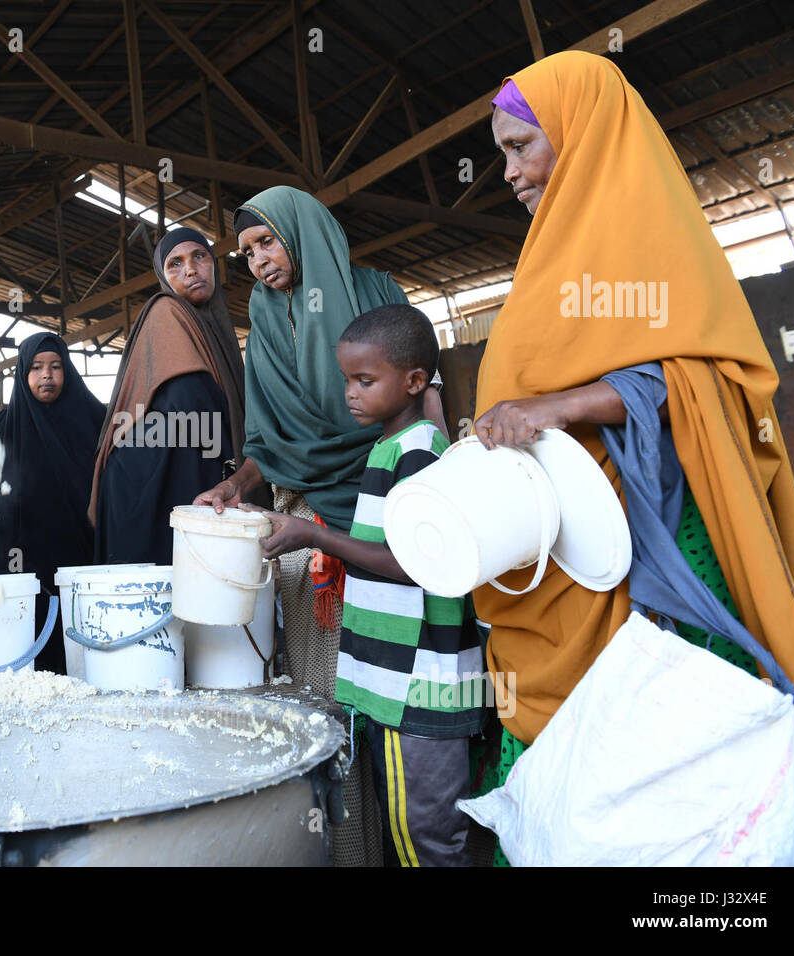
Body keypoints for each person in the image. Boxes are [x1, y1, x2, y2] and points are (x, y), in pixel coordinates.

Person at [472, 51, 794, 860]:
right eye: (502, 155)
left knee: (671, 753)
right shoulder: (547, 258)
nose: (511, 173)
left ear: (580, 132)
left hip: (646, 553)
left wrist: (559, 404)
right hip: (561, 552)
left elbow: (697, 375)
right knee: (583, 786)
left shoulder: (647, 236)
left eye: (523, 146)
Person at [194, 186, 445, 866]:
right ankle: (348, 845)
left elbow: (430, 404)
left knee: (391, 693)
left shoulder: (374, 292)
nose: (258, 262)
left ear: (301, 231)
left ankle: (414, 837)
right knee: (324, 699)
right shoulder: (268, 326)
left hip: (390, 516)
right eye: (246, 253)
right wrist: (237, 485)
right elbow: (271, 445)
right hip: (305, 527)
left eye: (266, 242)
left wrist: (438, 494)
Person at [247, 304, 483, 865]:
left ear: (414, 382)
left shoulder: (420, 452)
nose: (351, 393)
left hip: (419, 685)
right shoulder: (385, 448)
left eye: (365, 380)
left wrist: (315, 537)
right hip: (391, 679)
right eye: (348, 379)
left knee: (425, 831)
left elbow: (412, 564)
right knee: (407, 828)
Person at [90, 227, 246, 565]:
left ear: (214, 264)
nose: (190, 270)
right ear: (163, 275)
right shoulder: (167, 312)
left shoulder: (214, 327)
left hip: (183, 479)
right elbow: (192, 404)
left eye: (199, 257)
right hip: (152, 491)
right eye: (175, 263)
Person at [0, 332, 106, 674]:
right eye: (35, 367)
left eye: (56, 367)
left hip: (81, 565)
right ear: (21, 373)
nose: (46, 375)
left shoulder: (96, 424)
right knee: (30, 665)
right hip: (20, 572)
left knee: (83, 662)